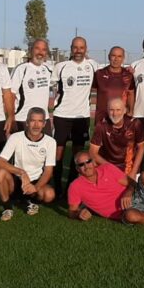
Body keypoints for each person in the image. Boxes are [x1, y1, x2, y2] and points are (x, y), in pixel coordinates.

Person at [67, 151, 144, 226]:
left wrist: (128, 192)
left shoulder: (107, 168)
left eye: (88, 161)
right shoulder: (75, 187)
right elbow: (72, 211)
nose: (86, 166)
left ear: (93, 162)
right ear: (77, 169)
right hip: (125, 212)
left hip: (137, 196)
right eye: (81, 164)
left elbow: (131, 182)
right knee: (131, 216)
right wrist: (78, 214)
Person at [49, 36, 102, 194]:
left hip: (81, 118)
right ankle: (57, 187)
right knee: (58, 153)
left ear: (86, 49)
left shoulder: (93, 66)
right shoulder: (61, 67)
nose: (78, 50)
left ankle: (71, 187)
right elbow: (49, 86)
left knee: (78, 155)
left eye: (81, 47)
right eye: (75, 47)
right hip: (62, 115)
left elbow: (109, 76)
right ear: (71, 48)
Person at [0, 107, 57, 221]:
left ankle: (32, 202)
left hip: (35, 180)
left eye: (40, 121)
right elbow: (0, 162)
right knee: (0, 173)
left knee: (49, 194)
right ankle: (7, 208)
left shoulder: (50, 142)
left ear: (44, 124)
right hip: (16, 180)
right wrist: (21, 172)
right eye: (33, 121)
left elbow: (48, 171)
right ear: (27, 122)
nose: (36, 125)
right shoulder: (15, 137)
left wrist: (35, 187)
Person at [89, 98, 144, 176]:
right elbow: (93, 153)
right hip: (109, 167)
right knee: (89, 164)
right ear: (107, 110)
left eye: (118, 110)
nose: (115, 113)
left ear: (124, 110)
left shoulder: (135, 124)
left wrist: (133, 172)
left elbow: (141, 147)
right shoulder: (101, 125)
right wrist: (111, 168)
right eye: (111, 110)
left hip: (129, 168)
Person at [10, 38, 52, 131]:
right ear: (31, 50)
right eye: (37, 48)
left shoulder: (48, 69)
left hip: (44, 119)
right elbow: (11, 94)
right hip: (23, 119)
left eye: (44, 49)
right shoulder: (21, 69)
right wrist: (11, 118)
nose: (40, 52)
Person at [93, 46, 135, 124]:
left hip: (121, 117)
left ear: (123, 58)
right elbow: (88, 91)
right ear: (109, 57)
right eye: (113, 56)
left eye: (119, 56)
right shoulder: (99, 74)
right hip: (102, 118)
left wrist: (130, 111)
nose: (116, 59)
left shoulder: (128, 75)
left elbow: (131, 94)